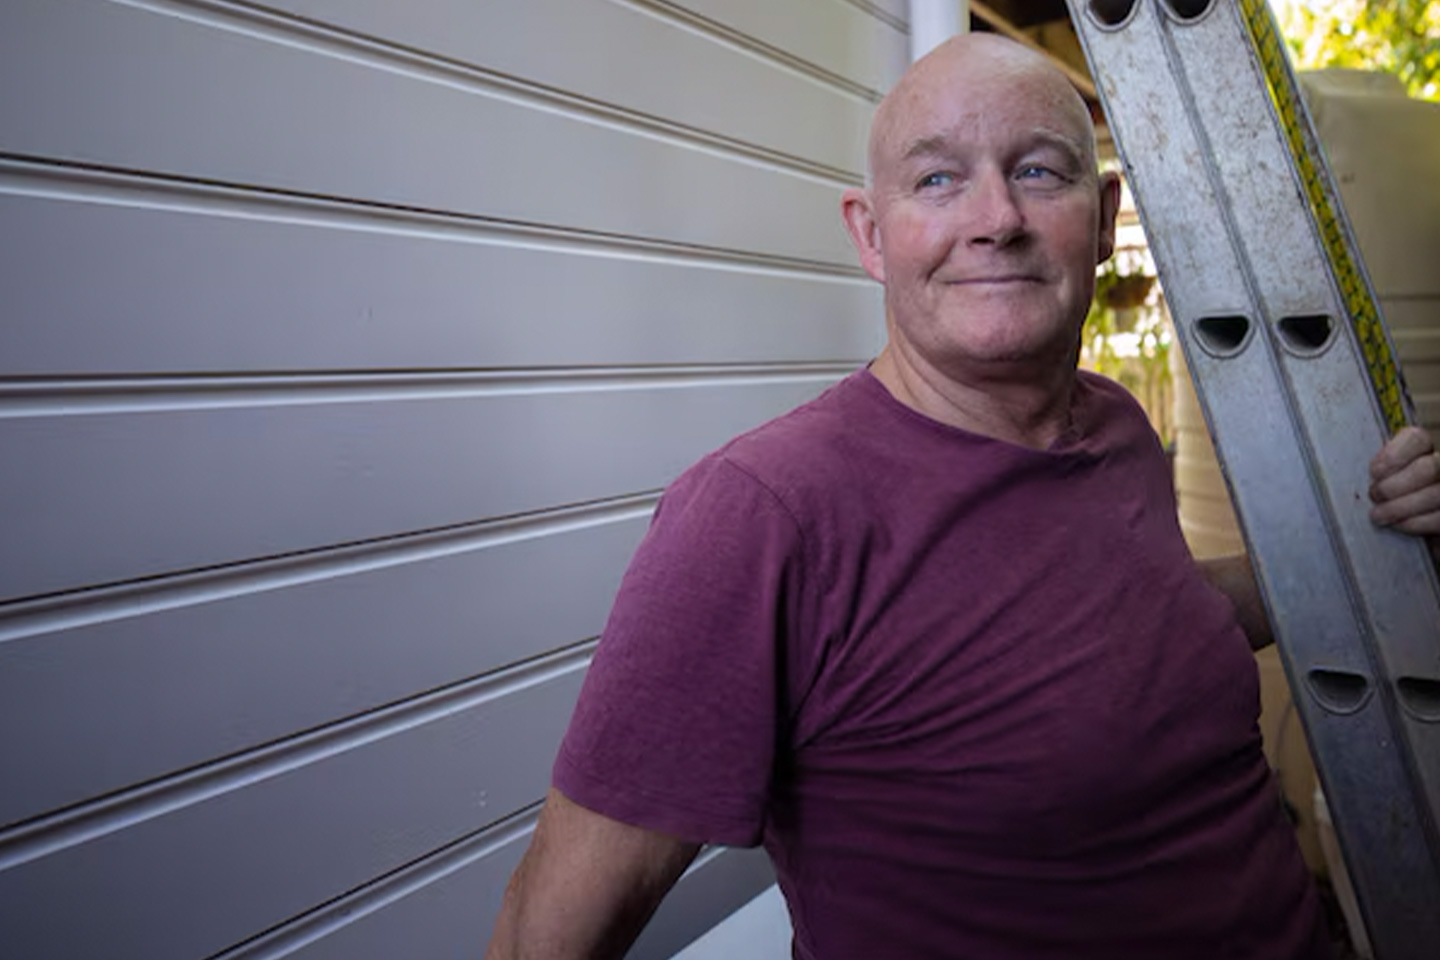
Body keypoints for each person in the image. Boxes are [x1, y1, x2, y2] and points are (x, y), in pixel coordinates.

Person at [485, 33, 1440, 960]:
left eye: (1038, 171)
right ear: (871, 234)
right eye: (938, 179)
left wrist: (1377, 534)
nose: (996, 219)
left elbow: (1152, 621)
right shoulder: (763, 515)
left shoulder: (1112, 425)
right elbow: (552, 932)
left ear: (1104, 219)